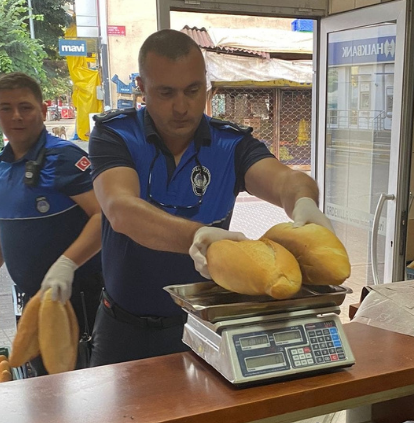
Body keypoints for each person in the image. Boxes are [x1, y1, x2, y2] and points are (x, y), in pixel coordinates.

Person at [87, 29, 334, 366]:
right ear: (142, 89)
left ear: (207, 86)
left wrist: (304, 201)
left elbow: (284, 180)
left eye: (192, 91)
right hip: (122, 329)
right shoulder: (115, 134)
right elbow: (120, 210)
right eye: (166, 92)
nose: (182, 107)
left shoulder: (230, 144)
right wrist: (198, 236)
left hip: (204, 326)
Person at [0, 72, 103, 375]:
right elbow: (10, 219)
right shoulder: (2, 162)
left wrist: (68, 264)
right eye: (6, 108)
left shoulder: (64, 157)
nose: (16, 116)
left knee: (77, 383)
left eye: (25, 107)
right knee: (42, 381)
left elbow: (103, 215)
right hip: (30, 298)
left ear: (42, 111)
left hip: (74, 297)